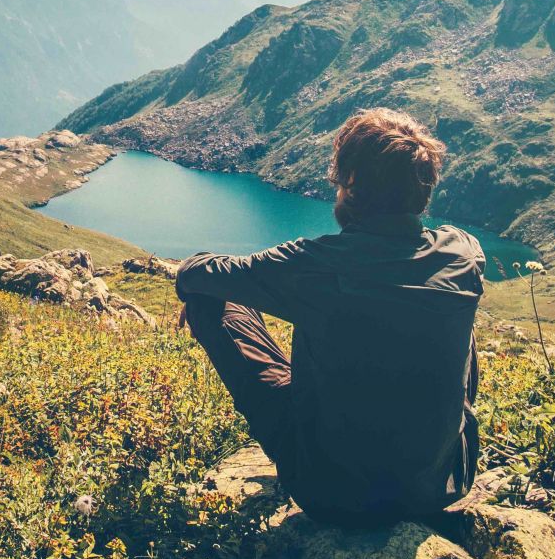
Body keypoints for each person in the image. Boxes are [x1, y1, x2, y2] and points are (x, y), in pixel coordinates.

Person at [176, 107, 484, 528]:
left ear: (352, 186)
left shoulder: (315, 265)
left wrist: (199, 293)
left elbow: (195, 272)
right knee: (452, 310)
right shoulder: (463, 253)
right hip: (442, 484)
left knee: (214, 297)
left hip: (333, 493)